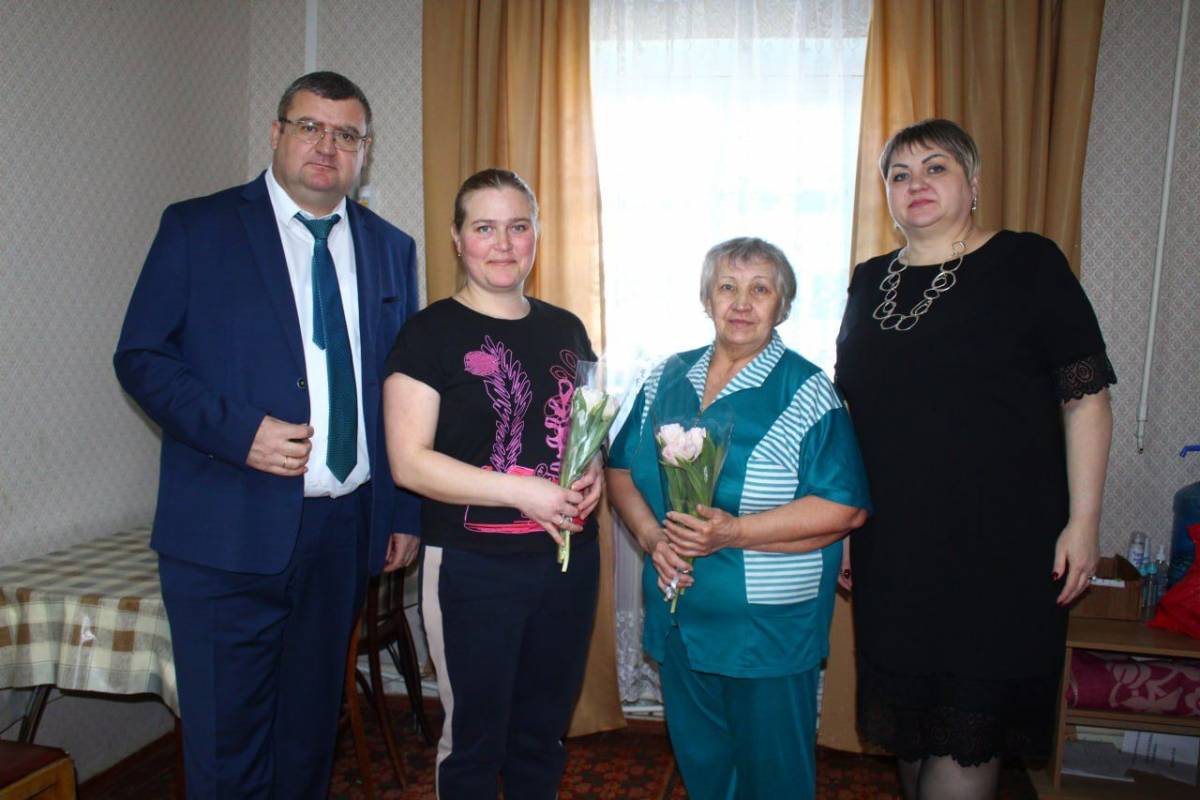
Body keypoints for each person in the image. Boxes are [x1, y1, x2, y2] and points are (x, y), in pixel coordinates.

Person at [114, 71, 421, 799]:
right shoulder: (199, 228)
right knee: (228, 753)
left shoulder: (391, 247)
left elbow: (401, 387)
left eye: (345, 134)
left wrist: (403, 509)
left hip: (342, 533)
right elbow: (141, 356)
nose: (326, 146)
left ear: (364, 152)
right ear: (278, 133)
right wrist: (239, 433)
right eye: (310, 126)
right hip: (225, 530)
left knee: (308, 742)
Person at [835, 118, 1115, 799]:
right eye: (900, 174)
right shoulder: (869, 281)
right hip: (894, 550)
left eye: (936, 168)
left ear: (974, 183)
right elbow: (851, 417)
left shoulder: (1028, 263)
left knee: (967, 734)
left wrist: (1084, 523)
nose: (916, 184)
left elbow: (1085, 398)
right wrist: (843, 524)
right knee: (911, 729)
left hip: (1001, 549)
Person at [606, 237, 871, 800]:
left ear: (783, 305)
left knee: (774, 778)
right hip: (681, 615)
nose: (742, 303)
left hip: (766, 629)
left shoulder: (806, 390)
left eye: (761, 289)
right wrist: (652, 538)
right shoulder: (664, 377)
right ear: (707, 298)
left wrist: (735, 532)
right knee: (704, 766)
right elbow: (621, 470)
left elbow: (843, 506)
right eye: (727, 287)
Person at [383, 168, 604, 798]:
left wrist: (591, 467)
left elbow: (581, 429)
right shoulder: (428, 334)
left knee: (542, 736)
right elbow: (409, 462)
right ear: (457, 238)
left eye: (518, 227)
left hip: (566, 561)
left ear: (536, 235)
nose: (503, 244)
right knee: (475, 743)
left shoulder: (566, 328)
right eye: (485, 228)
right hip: (472, 566)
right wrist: (521, 491)